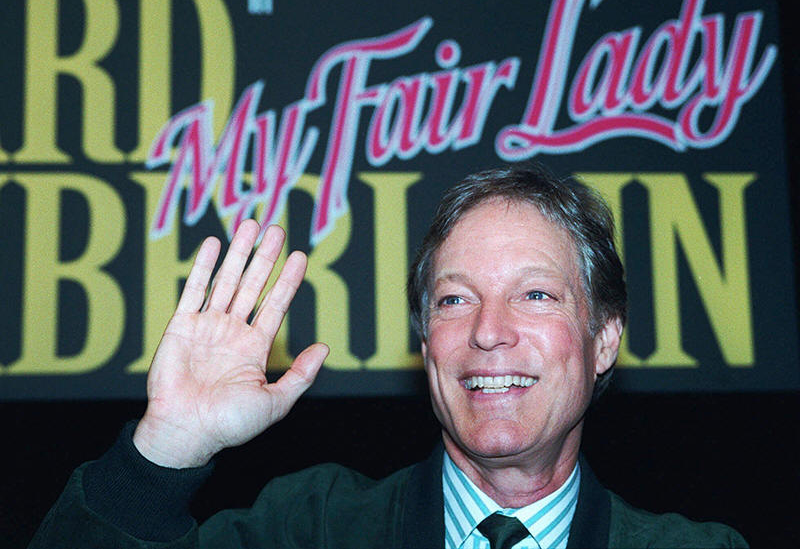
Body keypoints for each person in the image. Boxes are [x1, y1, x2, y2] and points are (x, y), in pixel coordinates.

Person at [30, 166, 747, 548]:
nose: (488, 331)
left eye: (535, 295)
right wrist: (165, 450)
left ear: (604, 338)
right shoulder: (309, 527)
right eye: (454, 300)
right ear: (425, 342)